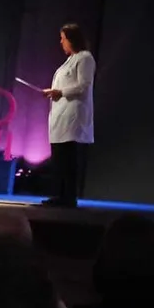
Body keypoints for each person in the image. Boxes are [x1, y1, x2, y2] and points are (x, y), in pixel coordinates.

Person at [41, 23, 95, 208]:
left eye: (63, 38)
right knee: (59, 158)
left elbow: (84, 85)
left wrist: (60, 92)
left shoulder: (85, 58)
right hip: (61, 115)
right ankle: (59, 195)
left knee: (68, 159)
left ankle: (69, 197)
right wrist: (54, 92)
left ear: (72, 39)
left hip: (73, 115)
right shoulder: (70, 60)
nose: (61, 42)